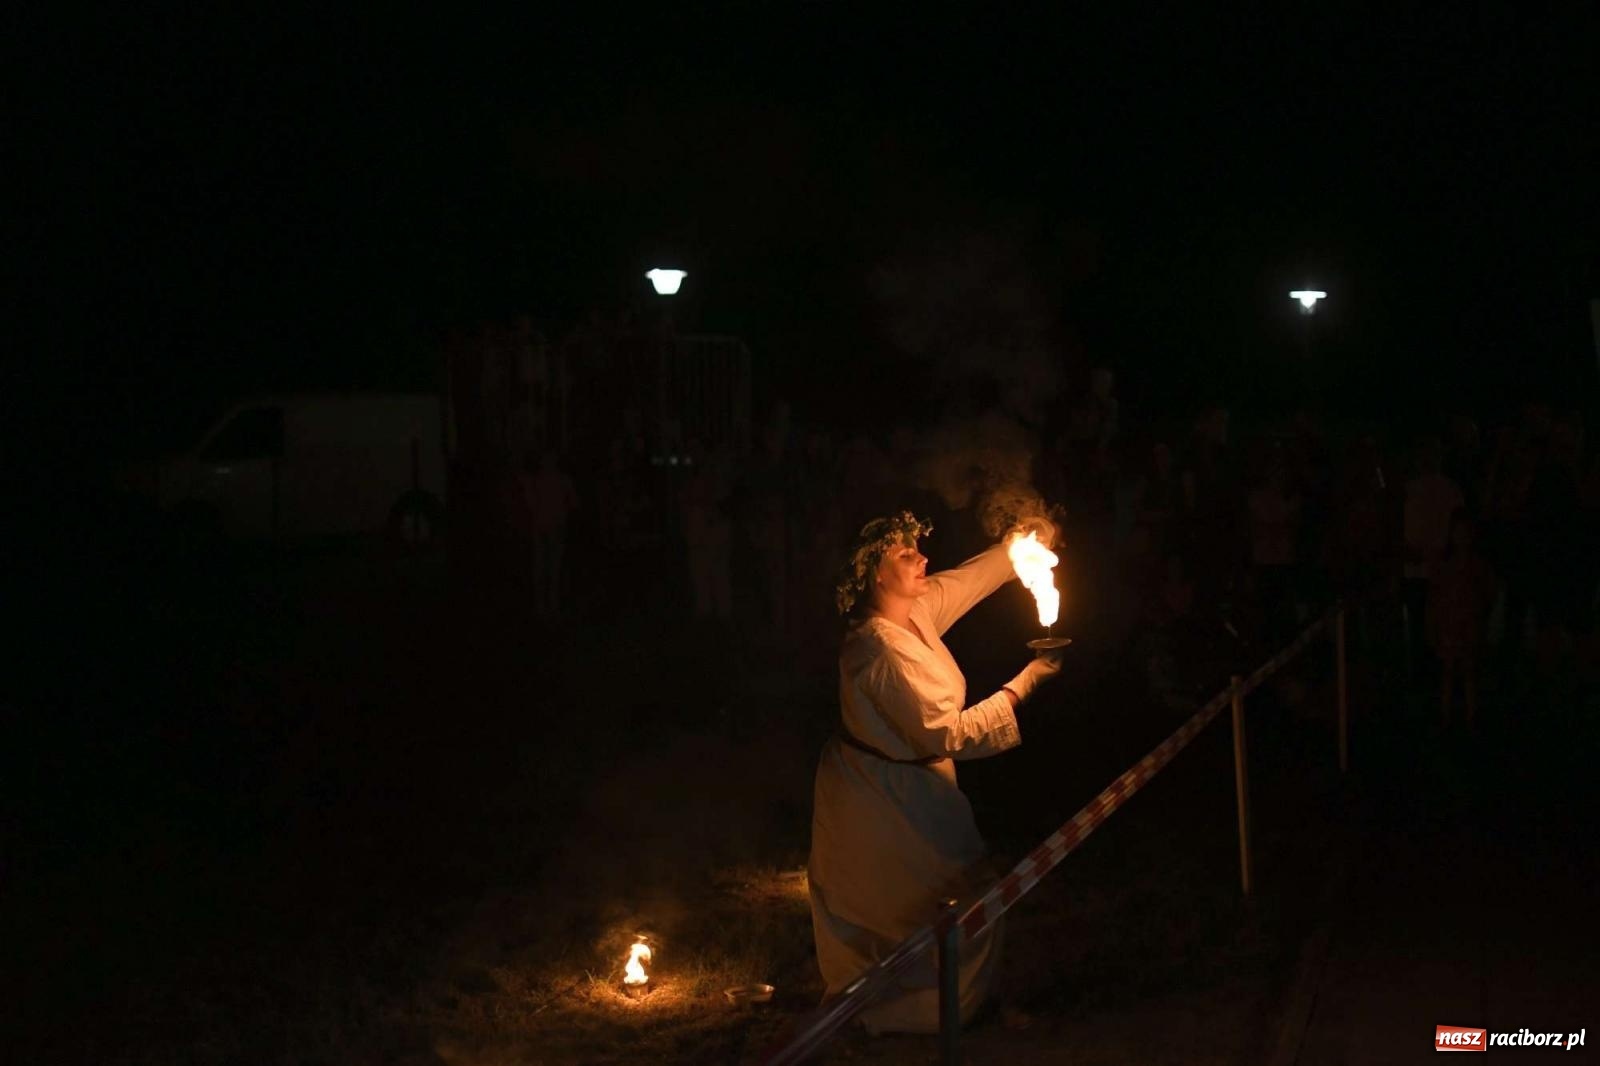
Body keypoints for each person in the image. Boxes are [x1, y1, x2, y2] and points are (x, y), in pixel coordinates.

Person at [808, 511, 1064, 1034]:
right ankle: (903, 1011)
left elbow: (970, 580)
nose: (922, 557)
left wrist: (1021, 543)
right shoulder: (877, 651)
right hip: (878, 798)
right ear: (875, 576)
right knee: (921, 904)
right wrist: (1026, 683)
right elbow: (950, 735)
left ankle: (956, 1004)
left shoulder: (915, 611)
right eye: (905, 554)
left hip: (914, 786)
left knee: (950, 898)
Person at [1428, 509, 1493, 732]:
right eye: (1458, 531)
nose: (1462, 536)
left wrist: (1480, 614)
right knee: (1448, 669)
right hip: (1450, 621)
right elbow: (1436, 594)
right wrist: (1436, 621)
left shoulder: (1476, 564)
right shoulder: (1446, 564)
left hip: (1469, 622)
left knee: (1468, 669)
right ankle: (1446, 715)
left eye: (1465, 531)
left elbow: (1486, 592)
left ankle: (1470, 715)